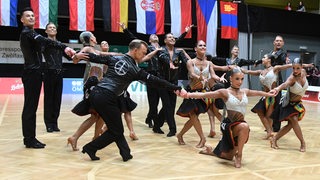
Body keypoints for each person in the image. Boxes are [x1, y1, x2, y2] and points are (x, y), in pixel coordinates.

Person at [72, 39, 186, 161]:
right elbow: (156, 81)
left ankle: (126, 154)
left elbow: (95, 57)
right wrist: (176, 87)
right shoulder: (134, 69)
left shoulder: (115, 59)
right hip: (106, 97)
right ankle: (90, 148)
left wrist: (78, 54)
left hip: (97, 94)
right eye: (143, 52)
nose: (144, 55)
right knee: (116, 130)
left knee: (115, 128)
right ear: (135, 50)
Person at [177, 67, 276, 168]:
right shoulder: (225, 92)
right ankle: (239, 155)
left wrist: (269, 94)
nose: (240, 82)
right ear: (231, 79)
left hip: (239, 126)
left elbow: (257, 92)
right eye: (237, 79)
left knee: (228, 157)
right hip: (229, 125)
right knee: (245, 126)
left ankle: (211, 151)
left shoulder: (244, 91)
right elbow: (206, 94)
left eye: (242, 79)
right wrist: (188, 95)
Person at [19, 7, 75, 148]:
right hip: (32, 73)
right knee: (30, 107)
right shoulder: (27, 33)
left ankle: (30, 138)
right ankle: (29, 139)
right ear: (22, 20)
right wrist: (65, 47)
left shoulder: (32, 33)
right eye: (28, 16)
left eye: (33, 15)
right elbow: (47, 41)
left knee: (32, 107)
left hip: (36, 73)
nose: (31, 17)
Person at [176, 40, 228, 148]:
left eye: (204, 45)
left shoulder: (209, 63)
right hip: (192, 92)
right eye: (200, 45)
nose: (203, 47)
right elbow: (192, 73)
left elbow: (213, 75)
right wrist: (199, 77)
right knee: (193, 115)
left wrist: (220, 79)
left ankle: (180, 135)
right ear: (195, 49)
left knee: (211, 113)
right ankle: (202, 138)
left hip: (205, 93)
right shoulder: (190, 62)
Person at [241, 54, 294, 139]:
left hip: (273, 95)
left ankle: (270, 132)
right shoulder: (260, 72)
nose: (262, 59)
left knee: (268, 115)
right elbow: (246, 72)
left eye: (264, 57)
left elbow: (288, 66)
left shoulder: (275, 69)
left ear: (269, 60)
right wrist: (235, 67)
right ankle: (270, 131)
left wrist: (300, 65)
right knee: (260, 112)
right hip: (265, 95)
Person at [270, 58, 308, 152]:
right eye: (293, 68)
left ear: (301, 67)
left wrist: (310, 65)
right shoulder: (292, 78)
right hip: (289, 104)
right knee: (294, 121)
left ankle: (275, 138)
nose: (295, 71)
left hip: (297, 104)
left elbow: (305, 66)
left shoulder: (304, 72)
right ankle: (302, 142)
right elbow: (285, 84)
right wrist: (277, 89)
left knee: (291, 125)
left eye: (297, 68)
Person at [155, 33, 189, 137]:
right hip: (162, 82)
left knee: (170, 106)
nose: (172, 38)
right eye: (170, 37)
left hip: (174, 82)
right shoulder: (160, 51)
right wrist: (170, 63)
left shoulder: (178, 52)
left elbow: (188, 62)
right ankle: (173, 129)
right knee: (167, 105)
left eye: (173, 37)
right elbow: (162, 61)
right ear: (165, 41)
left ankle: (157, 125)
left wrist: (184, 51)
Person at [42, 22, 71, 133]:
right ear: (46, 31)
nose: (53, 29)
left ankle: (55, 123)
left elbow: (68, 57)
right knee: (49, 99)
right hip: (49, 72)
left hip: (59, 73)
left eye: (54, 27)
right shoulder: (44, 43)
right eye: (50, 27)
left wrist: (78, 55)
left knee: (57, 100)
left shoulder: (60, 44)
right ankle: (49, 124)